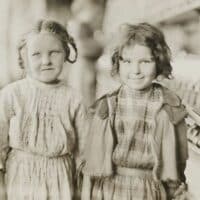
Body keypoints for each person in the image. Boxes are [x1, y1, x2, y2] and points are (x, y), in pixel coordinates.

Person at [82, 23, 188, 200]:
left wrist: (176, 190)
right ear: (118, 62)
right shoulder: (107, 106)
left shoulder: (170, 107)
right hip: (109, 188)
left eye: (145, 62)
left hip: (150, 190)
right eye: (127, 61)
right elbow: (91, 163)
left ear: (159, 62)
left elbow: (178, 161)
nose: (135, 70)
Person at [0, 19, 87, 200]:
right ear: (24, 58)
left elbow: (83, 152)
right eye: (36, 54)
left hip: (61, 181)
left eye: (54, 52)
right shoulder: (11, 94)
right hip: (19, 179)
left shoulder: (74, 98)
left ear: (65, 53)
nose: (46, 61)